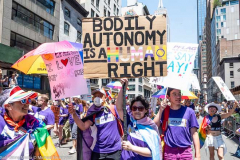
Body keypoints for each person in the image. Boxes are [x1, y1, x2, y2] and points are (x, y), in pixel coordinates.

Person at [68, 89, 122, 160]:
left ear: (104, 98)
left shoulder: (113, 109)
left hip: (115, 151)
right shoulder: (94, 113)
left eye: (100, 96)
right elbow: (83, 126)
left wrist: (123, 87)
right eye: (95, 96)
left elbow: (121, 106)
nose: (97, 98)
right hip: (99, 151)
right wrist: (74, 114)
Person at [116, 79, 162, 160]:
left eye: (140, 108)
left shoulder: (150, 128)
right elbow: (119, 108)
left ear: (146, 110)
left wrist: (131, 147)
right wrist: (124, 87)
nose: (137, 111)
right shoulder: (129, 121)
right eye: (134, 108)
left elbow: (152, 152)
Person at [154, 88, 200, 160]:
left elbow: (194, 134)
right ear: (168, 97)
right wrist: (161, 109)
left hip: (186, 152)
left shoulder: (189, 111)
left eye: (179, 94)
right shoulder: (164, 111)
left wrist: (198, 155)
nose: (178, 97)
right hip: (169, 152)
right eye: (174, 94)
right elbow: (154, 125)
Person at [0, 86, 41, 158]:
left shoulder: (35, 123)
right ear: (8, 106)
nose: (27, 103)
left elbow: (41, 152)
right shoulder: (1, 123)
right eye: (23, 100)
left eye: (28, 100)